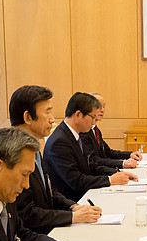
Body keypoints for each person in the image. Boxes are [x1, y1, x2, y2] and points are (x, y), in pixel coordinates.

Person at [9, 85, 102, 233]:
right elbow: (26, 214)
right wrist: (72, 217)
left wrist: (73, 207)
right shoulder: (13, 155)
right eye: (47, 112)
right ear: (28, 117)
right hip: (35, 235)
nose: (52, 119)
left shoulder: (32, 148)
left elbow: (49, 190)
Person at [43, 92, 138, 202]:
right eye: (92, 117)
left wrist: (117, 173)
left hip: (85, 195)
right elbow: (76, 181)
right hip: (73, 201)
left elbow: (91, 166)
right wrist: (110, 180)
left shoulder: (74, 134)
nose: (93, 122)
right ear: (78, 115)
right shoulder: (60, 141)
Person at [80, 92, 142, 175]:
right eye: (98, 106)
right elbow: (93, 160)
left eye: (103, 106)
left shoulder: (95, 130)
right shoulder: (84, 132)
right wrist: (122, 164)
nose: (102, 110)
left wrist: (130, 154)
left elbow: (108, 153)